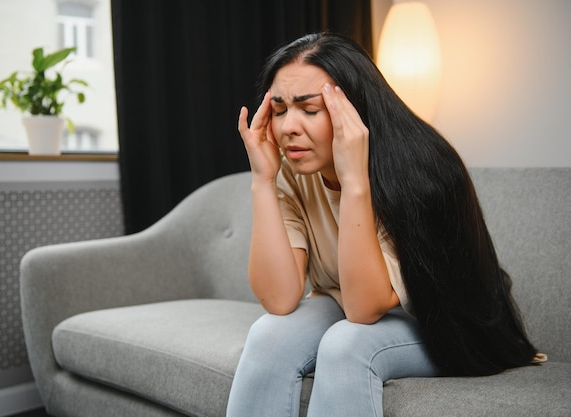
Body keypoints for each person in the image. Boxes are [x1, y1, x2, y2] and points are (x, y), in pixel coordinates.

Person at [226, 32, 540, 417]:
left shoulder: (422, 172)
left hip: (442, 327)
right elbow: (279, 299)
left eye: (309, 110)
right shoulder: (291, 170)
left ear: (354, 110)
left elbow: (363, 309)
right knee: (267, 335)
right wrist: (262, 180)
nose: (289, 126)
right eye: (279, 110)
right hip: (349, 304)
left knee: (346, 344)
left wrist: (355, 181)